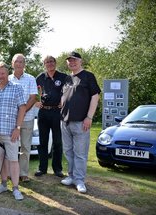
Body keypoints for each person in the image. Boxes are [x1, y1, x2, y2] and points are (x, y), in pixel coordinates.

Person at [60, 51, 100, 193]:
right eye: (69, 60)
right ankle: (71, 176)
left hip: (81, 122)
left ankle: (79, 180)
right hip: (65, 122)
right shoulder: (67, 78)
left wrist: (89, 117)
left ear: (80, 61)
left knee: (80, 153)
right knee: (68, 151)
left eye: (75, 60)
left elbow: (95, 97)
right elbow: (65, 97)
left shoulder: (88, 76)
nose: (72, 62)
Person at [0, 62, 26, 201]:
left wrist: (18, 128)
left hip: (11, 132)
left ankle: (16, 188)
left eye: (2, 73)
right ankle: (3, 184)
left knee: (13, 160)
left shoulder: (16, 88)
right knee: (0, 160)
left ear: (7, 73)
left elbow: (22, 108)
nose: (0, 76)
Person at [34, 56, 67, 178]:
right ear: (44, 64)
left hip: (57, 112)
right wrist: (36, 101)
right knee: (43, 141)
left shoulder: (63, 77)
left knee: (57, 142)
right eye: (47, 62)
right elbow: (33, 93)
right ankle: (42, 168)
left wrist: (64, 101)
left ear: (55, 63)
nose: (49, 64)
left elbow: (69, 91)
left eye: (51, 61)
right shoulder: (40, 78)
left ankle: (57, 169)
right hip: (43, 112)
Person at [8, 53, 38, 183]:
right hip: (11, 119)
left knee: (25, 147)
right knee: (11, 146)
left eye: (21, 62)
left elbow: (33, 97)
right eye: (16, 61)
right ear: (12, 64)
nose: (18, 64)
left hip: (27, 117)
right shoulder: (8, 79)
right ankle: (10, 172)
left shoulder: (31, 79)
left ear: (24, 64)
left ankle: (24, 173)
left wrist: (23, 111)